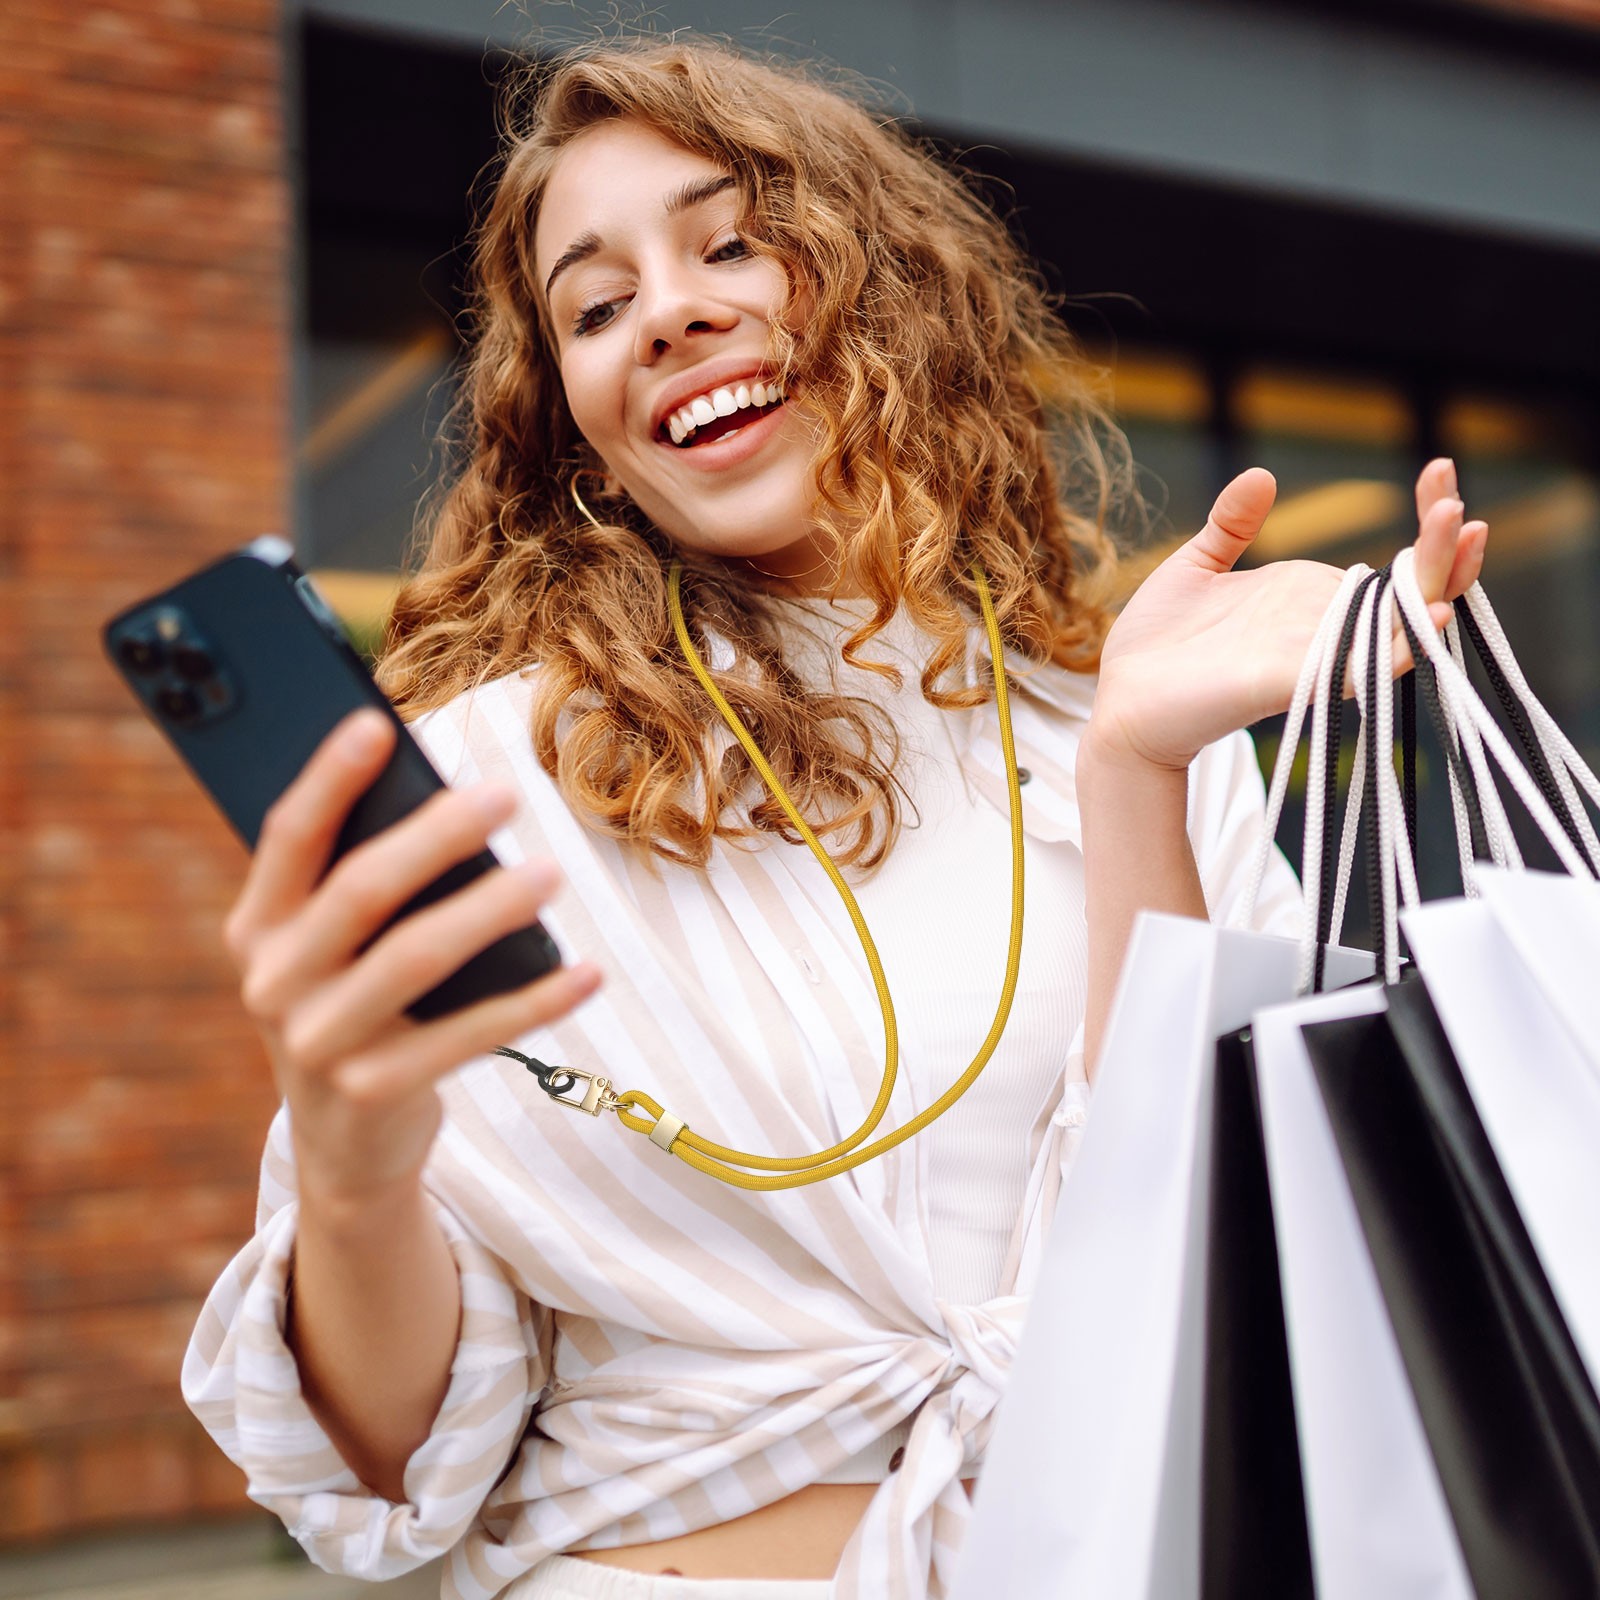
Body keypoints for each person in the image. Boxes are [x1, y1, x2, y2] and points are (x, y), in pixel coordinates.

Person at [181, 36, 1486, 1600]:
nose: (666, 310)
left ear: (884, 296)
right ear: (573, 420)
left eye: (732, 241)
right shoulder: (480, 784)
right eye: (594, 308)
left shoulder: (1123, 719)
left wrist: (1135, 774)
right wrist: (348, 1163)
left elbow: (1243, 1256)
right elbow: (388, 1465)